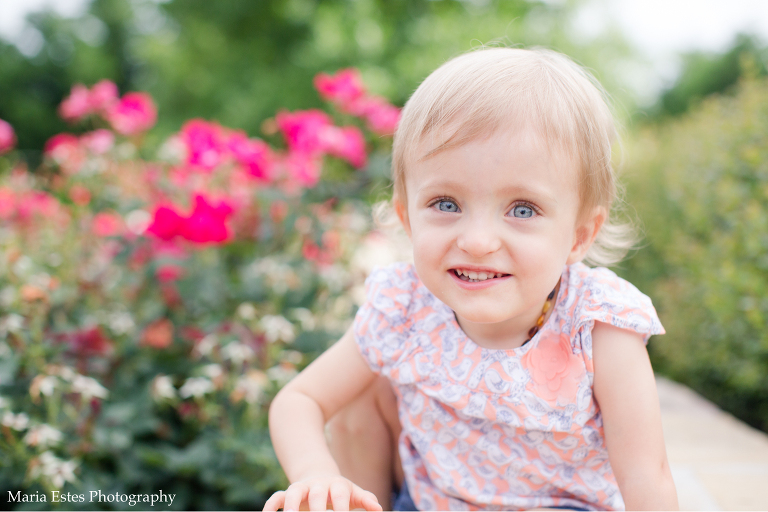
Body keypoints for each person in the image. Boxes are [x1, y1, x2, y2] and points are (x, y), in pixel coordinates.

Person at [263, 47, 679, 511]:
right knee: (364, 386)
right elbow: (299, 399)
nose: (478, 241)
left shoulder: (597, 325)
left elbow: (647, 476)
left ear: (579, 236)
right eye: (445, 203)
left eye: (522, 209)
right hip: (432, 501)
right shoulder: (405, 306)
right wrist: (316, 475)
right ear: (407, 216)